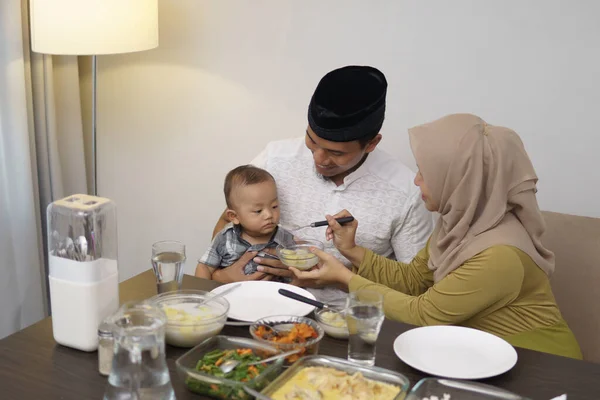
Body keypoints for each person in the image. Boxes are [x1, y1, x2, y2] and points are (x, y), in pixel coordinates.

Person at [290, 113, 583, 359]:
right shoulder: (462, 224)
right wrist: (352, 250)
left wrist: (344, 278)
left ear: (462, 181)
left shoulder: (499, 255)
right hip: (483, 355)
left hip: (540, 366)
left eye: (425, 173)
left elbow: (423, 314)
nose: (416, 181)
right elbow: (414, 281)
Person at [212, 65, 434, 306]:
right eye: (312, 141)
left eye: (335, 153)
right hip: (261, 306)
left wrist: (340, 279)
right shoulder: (275, 158)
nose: (318, 159)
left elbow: (416, 288)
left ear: (371, 144)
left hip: (345, 323)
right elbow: (228, 222)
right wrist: (224, 273)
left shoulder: (405, 191)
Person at [196, 165, 296, 283]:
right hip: (233, 298)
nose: (269, 214)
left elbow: (298, 266)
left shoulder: (285, 238)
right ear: (234, 216)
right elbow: (205, 267)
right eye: (258, 211)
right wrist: (203, 296)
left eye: (274, 206)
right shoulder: (224, 239)